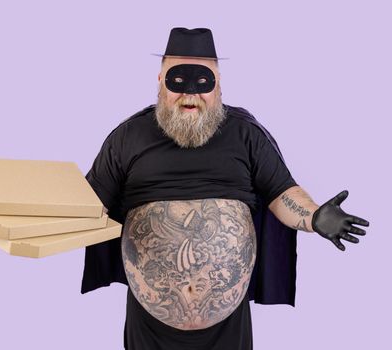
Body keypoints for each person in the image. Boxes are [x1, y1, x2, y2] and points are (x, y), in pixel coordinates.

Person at [82, 27, 370, 350]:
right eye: (178, 80)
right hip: (149, 330)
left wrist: (315, 216)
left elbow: (281, 192)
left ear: (218, 85)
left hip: (227, 331)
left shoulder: (245, 135)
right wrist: (40, 217)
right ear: (160, 82)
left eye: (202, 81)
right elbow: (88, 205)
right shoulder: (127, 138)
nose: (190, 92)